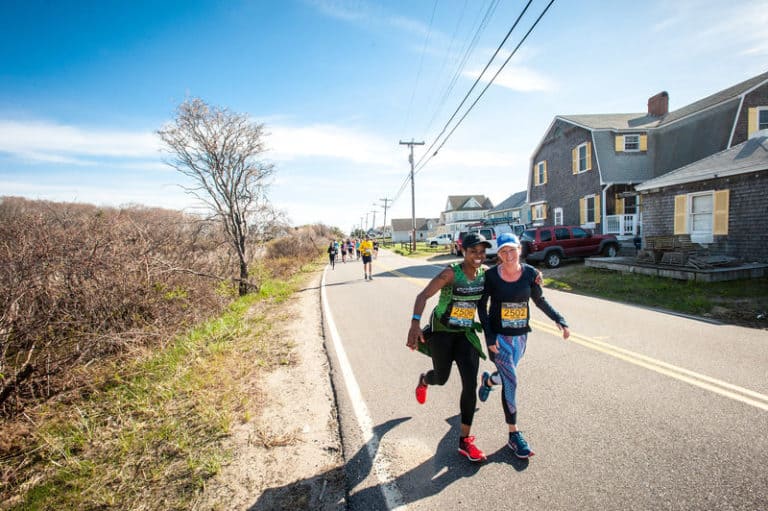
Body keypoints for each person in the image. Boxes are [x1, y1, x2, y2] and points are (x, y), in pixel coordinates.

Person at [477, 232, 570, 459]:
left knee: (507, 376)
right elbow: (482, 307)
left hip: (520, 338)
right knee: (512, 380)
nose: (508, 255)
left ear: (520, 249)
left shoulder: (530, 274)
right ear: (498, 254)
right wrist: (489, 338)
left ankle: (489, 380)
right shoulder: (491, 277)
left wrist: (559, 319)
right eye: (503, 251)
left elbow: (539, 300)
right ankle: (513, 434)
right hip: (499, 339)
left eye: (512, 249)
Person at [406, 232, 492, 462]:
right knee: (441, 378)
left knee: (470, 384)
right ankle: (425, 380)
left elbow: (509, 277)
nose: (478, 256)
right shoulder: (450, 273)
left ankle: (465, 441)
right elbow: (423, 295)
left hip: (465, 334)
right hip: (442, 334)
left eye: (482, 251)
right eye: (473, 251)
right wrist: (415, 324)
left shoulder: (485, 275)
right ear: (462, 250)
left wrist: (533, 276)